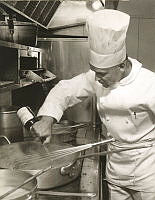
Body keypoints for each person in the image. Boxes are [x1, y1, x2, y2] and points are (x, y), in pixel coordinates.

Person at [32, 9, 155, 200]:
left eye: (102, 73)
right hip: (115, 169)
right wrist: (47, 118)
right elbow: (65, 89)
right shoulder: (97, 77)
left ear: (121, 65)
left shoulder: (149, 84)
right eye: (94, 71)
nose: (97, 78)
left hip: (148, 173)